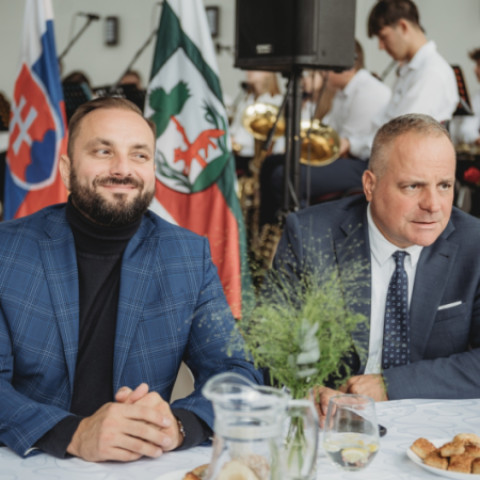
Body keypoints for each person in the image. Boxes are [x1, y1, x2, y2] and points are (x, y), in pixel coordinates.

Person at [0, 97, 262, 461]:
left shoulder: (188, 256)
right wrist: (73, 434)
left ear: (153, 169)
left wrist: (179, 425)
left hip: (142, 465)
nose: (122, 169)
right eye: (103, 151)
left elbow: (235, 372)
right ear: (66, 170)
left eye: (139, 155)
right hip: (31, 462)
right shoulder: (7, 250)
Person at [270, 113, 480, 423]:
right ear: (370, 185)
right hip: (333, 422)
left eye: (445, 185)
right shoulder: (310, 235)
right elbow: (272, 345)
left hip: (432, 422)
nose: (434, 205)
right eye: (413, 186)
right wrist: (307, 390)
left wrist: (390, 385)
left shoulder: (473, 243)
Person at [260, 40, 391, 226]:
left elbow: (346, 148)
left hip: (362, 165)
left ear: (346, 66)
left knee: (285, 176)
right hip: (347, 158)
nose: (322, 72)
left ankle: (303, 233)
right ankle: (267, 231)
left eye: (326, 67)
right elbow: (330, 131)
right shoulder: (341, 92)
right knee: (271, 162)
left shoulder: (369, 91)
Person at [342, 0, 459, 160]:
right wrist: (351, 144)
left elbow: (400, 137)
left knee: (312, 171)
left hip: (396, 165)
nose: (381, 46)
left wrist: (352, 146)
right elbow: (384, 125)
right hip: (384, 160)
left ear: (403, 27)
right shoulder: (412, 70)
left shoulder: (431, 73)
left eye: (383, 37)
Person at [229, 70, 284, 176]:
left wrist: (238, 142)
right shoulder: (246, 99)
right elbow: (235, 129)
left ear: (268, 72)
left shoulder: (275, 101)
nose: (249, 72)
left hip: (256, 156)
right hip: (238, 153)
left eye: (254, 69)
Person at [450, 48, 480, 146]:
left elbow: (467, 130)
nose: (475, 69)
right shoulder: (477, 98)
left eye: (479, 65)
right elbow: (466, 130)